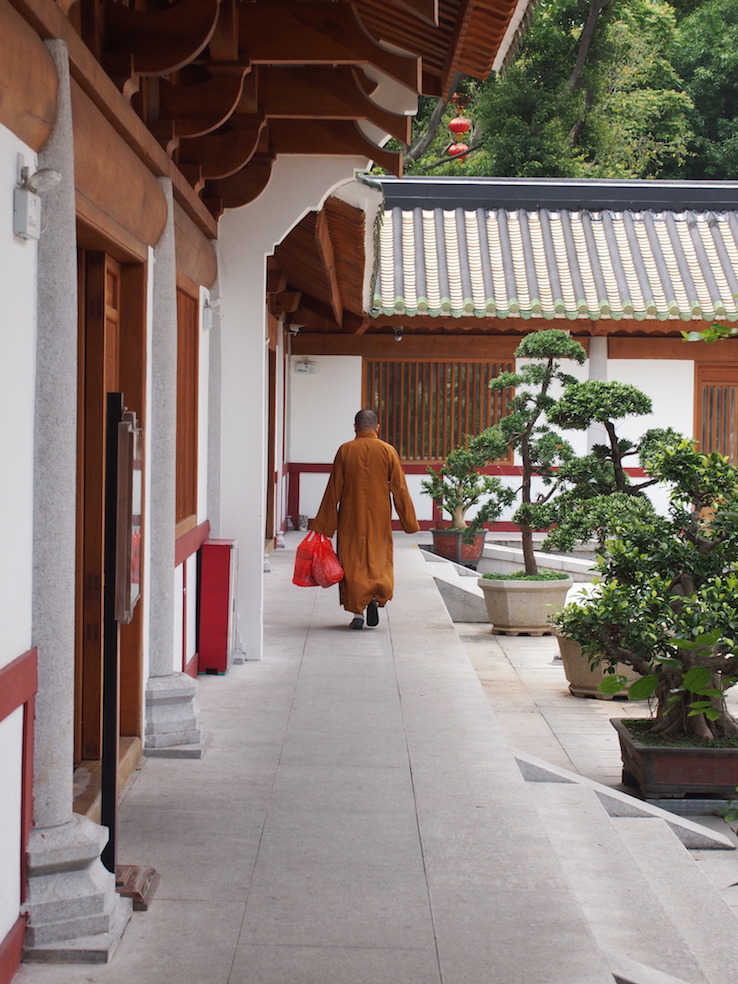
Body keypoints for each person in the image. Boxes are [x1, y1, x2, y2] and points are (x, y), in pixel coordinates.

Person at [312, 409, 420, 629]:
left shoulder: (345, 451)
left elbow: (334, 489)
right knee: (378, 558)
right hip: (379, 517)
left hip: (350, 517)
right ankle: (375, 596)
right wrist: (409, 522)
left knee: (352, 561)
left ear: (355, 428)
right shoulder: (388, 451)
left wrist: (324, 525)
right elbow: (399, 489)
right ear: (377, 428)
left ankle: (358, 612)